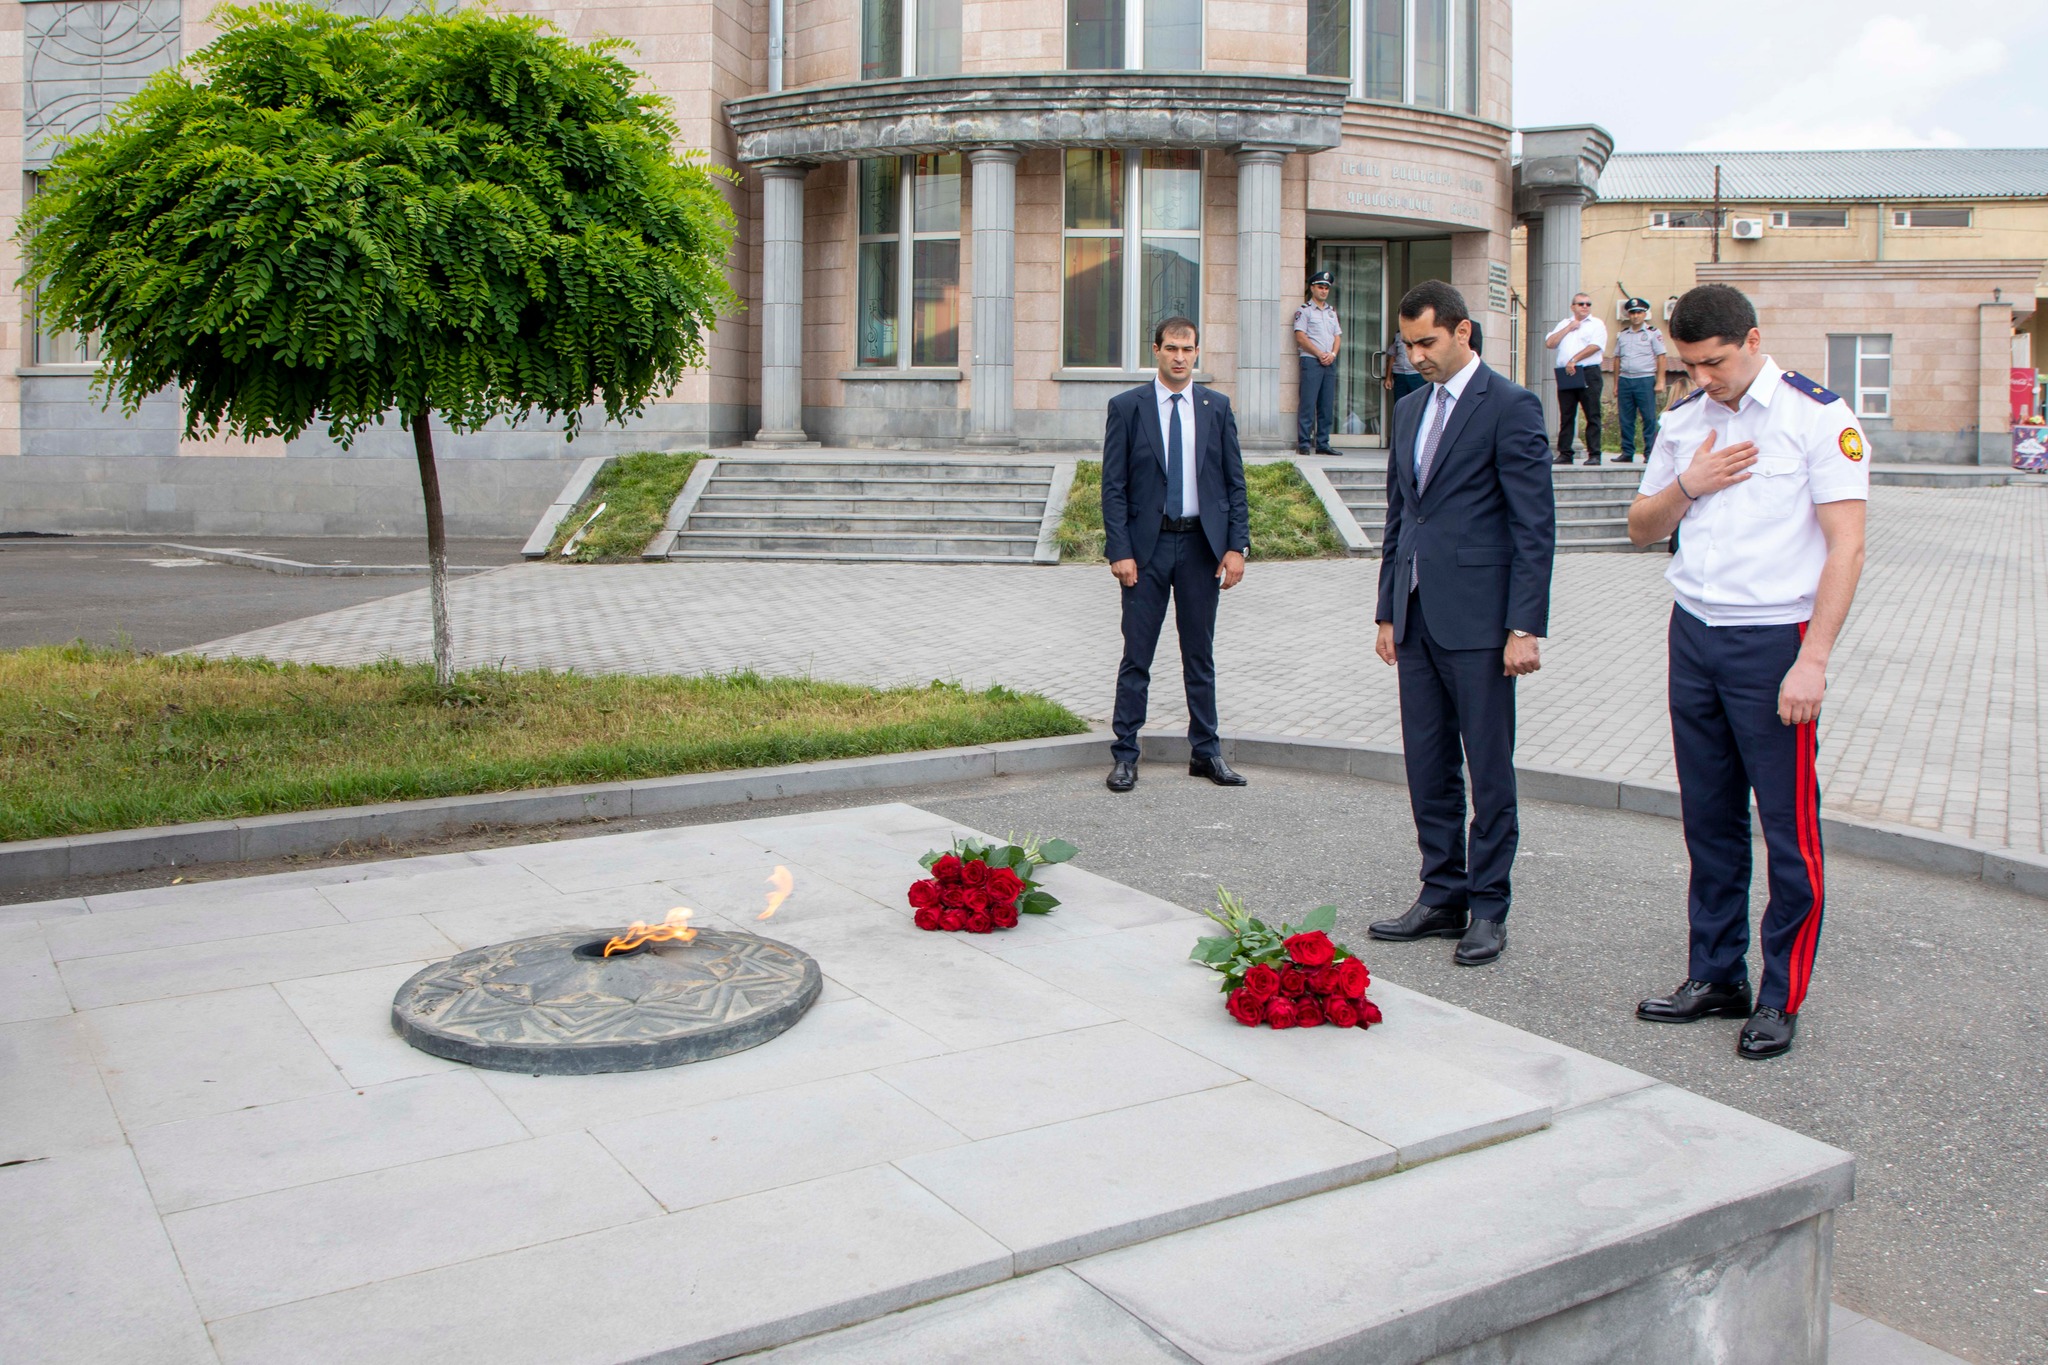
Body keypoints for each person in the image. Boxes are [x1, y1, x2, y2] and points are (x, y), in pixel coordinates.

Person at [1627, 283, 1868, 1060]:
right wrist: (1689, 485)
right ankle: (1715, 974)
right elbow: (1640, 527)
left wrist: (1813, 659)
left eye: (1717, 362)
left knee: (1789, 831)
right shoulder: (1684, 420)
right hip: (1694, 633)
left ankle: (1779, 994)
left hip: (1774, 644)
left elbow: (1847, 545)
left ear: (1754, 340)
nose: (1704, 378)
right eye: (1690, 365)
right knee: (1709, 820)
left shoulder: (1815, 416)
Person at [1368, 281, 1555, 967]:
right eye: (1407, 344)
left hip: (1482, 623)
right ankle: (1442, 894)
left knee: (1489, 770)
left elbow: (1534, 525)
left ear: (1462, 332)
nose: (1415, 356)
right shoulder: (1409, 408)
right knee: (1428, 764)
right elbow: (1401, 515)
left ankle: (1489, 907)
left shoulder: (1510, 405)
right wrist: (1387, 610)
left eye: (1427, 342)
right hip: (1416, 617)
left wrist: (1524, 625)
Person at [1101, 316, 1252, 794]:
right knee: (1137, 656)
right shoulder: (1128, 407)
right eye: (1171, 348)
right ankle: (1126, 755)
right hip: (1145, 552)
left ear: (1197, 352)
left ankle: (1206, 752)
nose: (1180, 357)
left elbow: (1234, 482)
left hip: (1200, 549)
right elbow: (1113, 486)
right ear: (1156, 350)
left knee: (1199, 656)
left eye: (1188, 349)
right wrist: (1120, 549)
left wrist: (1236, 546)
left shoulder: (1216, 407)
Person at [1545, 292, 1607, 466]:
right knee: (1566, 414)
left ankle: (1594, 454)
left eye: (1588, 304)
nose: (1585, 307)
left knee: (1592, 414)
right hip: (1566, 373)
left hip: (1588, 372)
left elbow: (1595, 346)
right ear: (1573, 307)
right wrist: (1569, 328)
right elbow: (1550, 343)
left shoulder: (1596, 324)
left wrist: (1574, 359)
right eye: (1581, 304)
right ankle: (1565, 453)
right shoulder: (1564, 323)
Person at [1612, 297, 1666, 464]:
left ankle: (1650, 452)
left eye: (1639, 312)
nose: (1636, 316)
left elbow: (1661, 357)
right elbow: (1617, 359)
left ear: (1644, 314)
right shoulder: (1623, 335)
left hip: (1645, 379)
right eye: (1633, 313)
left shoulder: (1653, 333)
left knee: (1648, 418)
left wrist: (1660, 381)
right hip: (1625, 380)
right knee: (1626, 418)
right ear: (1628, 315)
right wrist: (1616, 384)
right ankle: (1627, 452)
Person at [1293, 271, 1342, 455]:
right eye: (1320, 287)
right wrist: (1320, 354)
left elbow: (1337, 336)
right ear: (1312, 288)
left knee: (1326, 405)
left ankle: (1323, 443)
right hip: (1311, 361)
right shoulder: (1304, 311)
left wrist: (1333, 354)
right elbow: (1300, 336)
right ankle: (1304, 443)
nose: (1323, 291)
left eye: (1326, 288)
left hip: (1329, 362)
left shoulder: (1331, 312)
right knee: (1308, 403)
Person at [1384, 329, 1426, 402]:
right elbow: (1392, 356)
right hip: (1400, 375)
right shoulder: (1398, 336)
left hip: (1416, 375)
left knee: (1417, 402)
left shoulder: (1421, 336)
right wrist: (1388, 378)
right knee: (1400, 401)